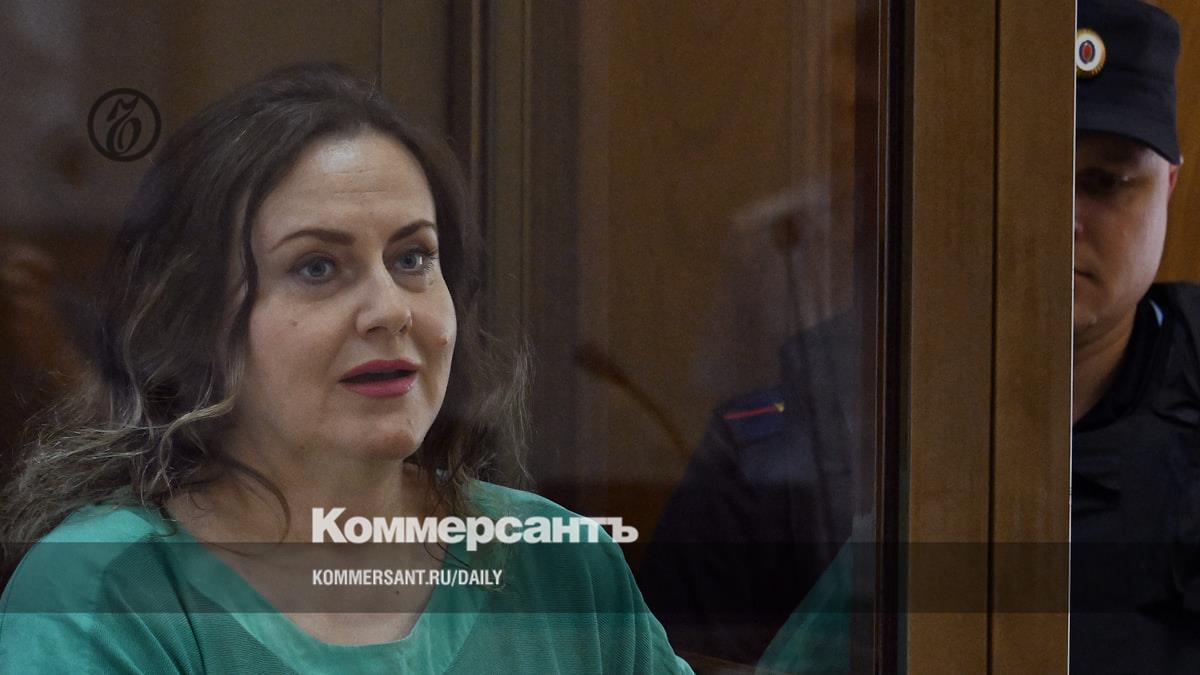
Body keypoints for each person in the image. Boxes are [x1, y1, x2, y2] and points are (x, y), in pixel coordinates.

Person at [0, 62, 690, 674]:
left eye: (413, 258)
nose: (390, 310)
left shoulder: (560, 563)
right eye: (317, 267)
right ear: (194, 322)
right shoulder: (98, 594)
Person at [1069, 1, 1200, 672]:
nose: (1063, 218)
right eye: (1030, 175)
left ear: (1168, 186)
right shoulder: (848, 391)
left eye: (1104, 182)